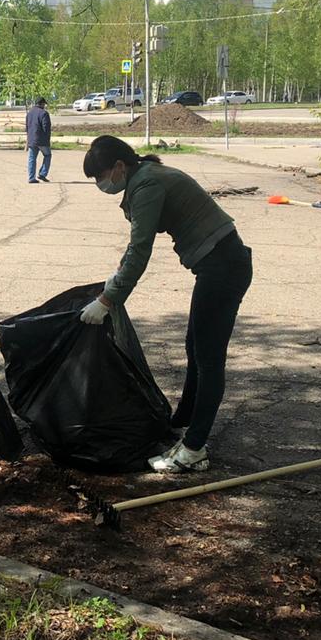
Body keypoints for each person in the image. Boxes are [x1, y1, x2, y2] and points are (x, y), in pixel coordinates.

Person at [79, 135, 252, 473]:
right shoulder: (145, 176)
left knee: (209, 359)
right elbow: (135, 247)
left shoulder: (147, 186)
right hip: (221, 265)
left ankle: (194, 449)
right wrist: (112, 288)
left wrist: (107, 299)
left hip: (223, 268)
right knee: (195, 348)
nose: (102, 185)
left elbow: (139, 250)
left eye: (102, 176)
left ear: (118, 166)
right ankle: (183, 421)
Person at [25, 96, 51, 184]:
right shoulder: (44, 113)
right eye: (44, 104)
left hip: (32, 139)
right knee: (47, 155)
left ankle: (31, 177)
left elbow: (27, 127)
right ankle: (42, 174)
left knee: (32, 158)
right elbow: (46, 128)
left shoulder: (30, 113)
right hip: (42, 140)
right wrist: (47, 139)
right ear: (42, 104)